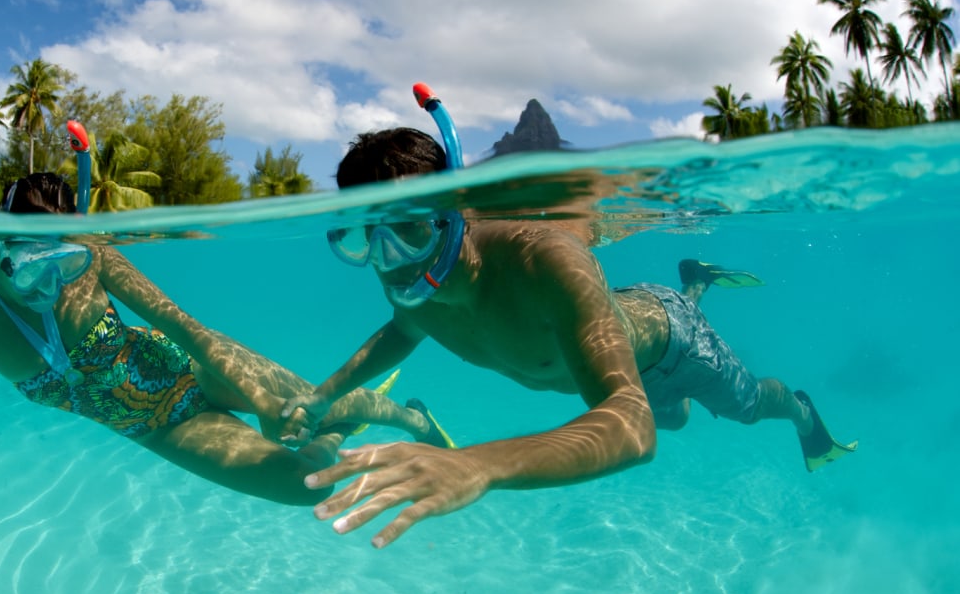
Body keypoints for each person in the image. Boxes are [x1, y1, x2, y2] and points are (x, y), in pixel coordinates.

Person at [0, 165, 452, 552]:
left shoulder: (93, 256)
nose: (50, 282)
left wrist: (265, 399)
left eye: (59, 260)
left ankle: (407, 414)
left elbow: (190, 328)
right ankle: (335, 434)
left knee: (323, 404)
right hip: (161, 427)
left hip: (198, 370)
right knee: (305, 482)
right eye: (28, 264)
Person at [281, 85, 856, 549]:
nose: (388, 261)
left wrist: (479, 466)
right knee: (678, 417)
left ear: (451, 216)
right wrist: (323, 395)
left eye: (406, 227)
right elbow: (404, 330)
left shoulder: (543, 258)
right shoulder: (414, 287)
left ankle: (801, 412)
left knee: (747, 406)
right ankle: (697, 280)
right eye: (361, 238)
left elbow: (631, 426)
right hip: (617, 343)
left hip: (673, 341)